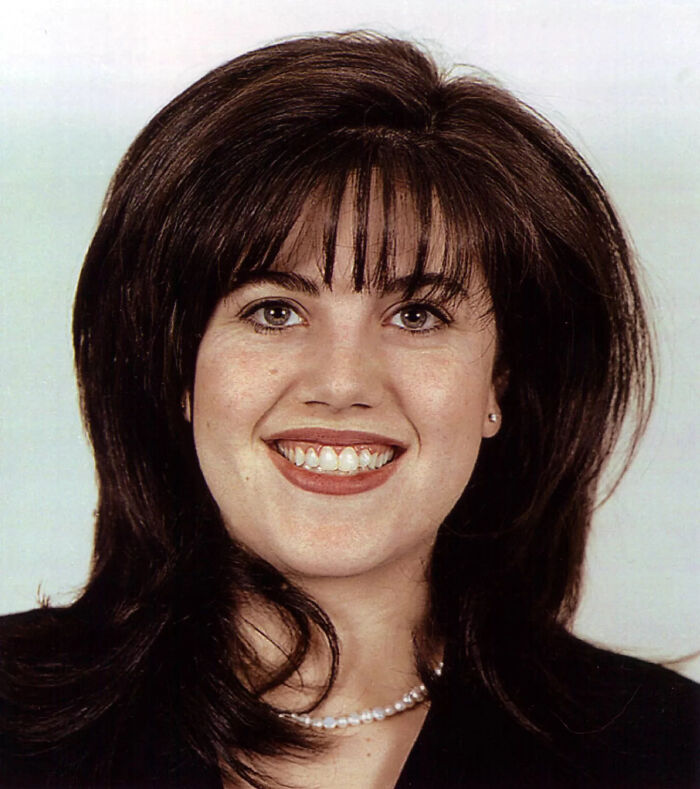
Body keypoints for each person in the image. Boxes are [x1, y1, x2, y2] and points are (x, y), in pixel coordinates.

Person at [0, 32, 697, 788]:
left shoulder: (663, 751)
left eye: (418, 315)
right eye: (274, 310)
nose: (340, 383)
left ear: (500, 384)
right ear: (179, 370)